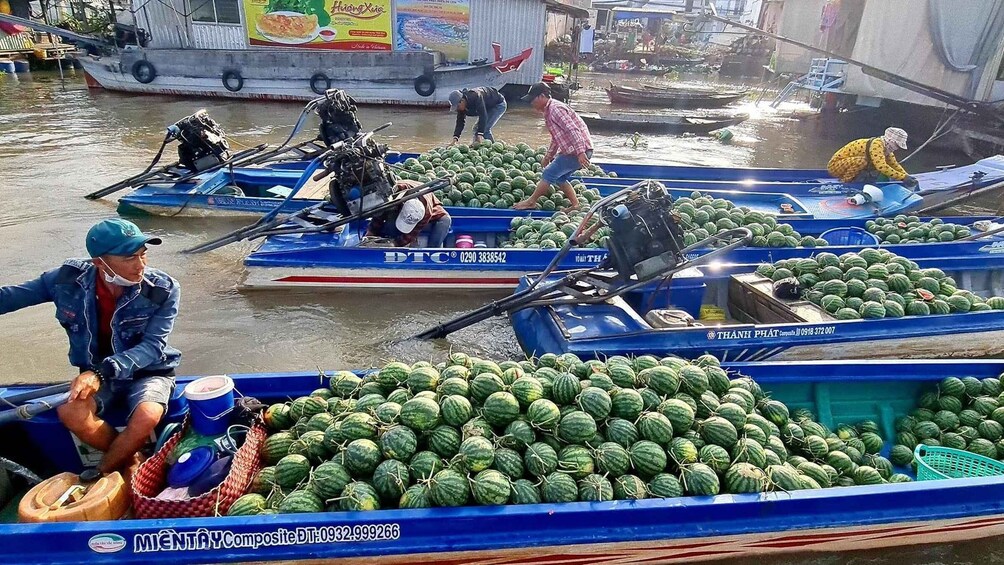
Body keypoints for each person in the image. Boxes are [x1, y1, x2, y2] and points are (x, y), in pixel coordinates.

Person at [0, 219, 180, 475]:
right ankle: (130, 460)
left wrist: (100, 373)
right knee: (71, 412)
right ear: (99, 262)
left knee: (147, 416)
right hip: (95, 375)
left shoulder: (163, 289)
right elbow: (11, 297)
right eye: (129, 257)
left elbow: (152, 346)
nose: (140, 266)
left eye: (143, 255)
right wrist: (96, 374)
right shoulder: (65, 280)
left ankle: (100, 473)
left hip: (148, 371)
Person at [514, 82, 593, 212]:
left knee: (549, 173)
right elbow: (556, 138)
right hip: (575, 150)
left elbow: (573, 130)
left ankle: (531, 202)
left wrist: (580, 152)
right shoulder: (549, 111)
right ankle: (575, 205)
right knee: (560, 178)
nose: (532, 104)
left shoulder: (556, 109)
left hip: (579, 150)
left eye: (532, 100)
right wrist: (548, 156)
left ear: (541, 96)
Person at [367, 180, 452, 247]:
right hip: (402, 198)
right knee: (390, 224)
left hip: (429, 207)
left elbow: (411, 234)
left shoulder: (426, 213)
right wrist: (369, 235)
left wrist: (394, 244)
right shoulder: (396, 193)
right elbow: (379, 215)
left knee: (445, 220)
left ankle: (432, 253)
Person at [827, 127, 918, 187]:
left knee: (871, 165)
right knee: (863, 162)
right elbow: (882, 167)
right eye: (897, 145)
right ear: (890, 141)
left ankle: (857, 180)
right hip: (835, 167)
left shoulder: (887, 149)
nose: (897, 148)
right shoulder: (876, 145)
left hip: (848, 167)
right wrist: (902, 178)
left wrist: (907, 176)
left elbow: (894, 164)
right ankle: (845, 182)